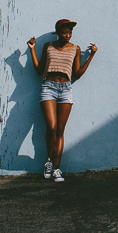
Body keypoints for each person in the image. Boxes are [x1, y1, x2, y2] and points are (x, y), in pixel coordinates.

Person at [27, 19, 97, 182]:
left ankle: (56, 168)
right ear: (58, 32)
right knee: (51, 127)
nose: (68, 35)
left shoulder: (75, 49)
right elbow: (39, 70)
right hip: (48, 88)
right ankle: (49, 162)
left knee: (60, 130)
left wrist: (91, 56)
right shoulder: (48, 46)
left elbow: (77, 74)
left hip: (66, 89)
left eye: (70, 32)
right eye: (65, 32)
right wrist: (31, 50)